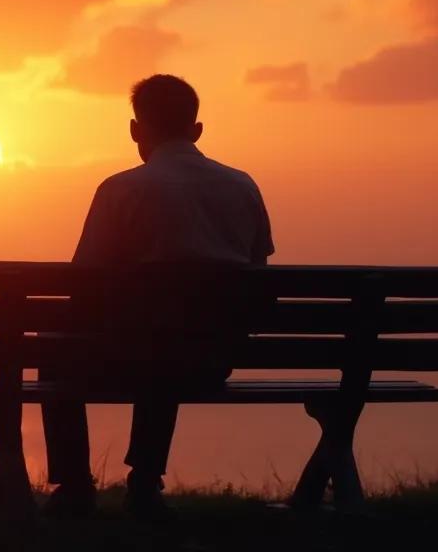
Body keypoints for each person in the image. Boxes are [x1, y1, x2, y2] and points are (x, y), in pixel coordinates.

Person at [41, 74, 274, 519]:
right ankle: (145, 485)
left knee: (65, 350)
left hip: (133, 356)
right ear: (197, 130)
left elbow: (82, 284)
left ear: (135, 130)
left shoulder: (121, 190)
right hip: (208, 361)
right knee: (170, 340)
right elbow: (258, 281)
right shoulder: (242, 186)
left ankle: (73, 486)